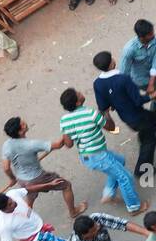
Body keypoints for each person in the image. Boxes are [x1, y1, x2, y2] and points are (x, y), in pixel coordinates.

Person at [58, 87, 147, 216]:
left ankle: (109, 193)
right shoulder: (91, 113)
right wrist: (105, 113)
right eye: (79, 94)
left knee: (120, 161)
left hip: (87, 156)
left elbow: (69, 144)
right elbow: (111, 128)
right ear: (77, 102)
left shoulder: (64, 121)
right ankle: (134, 207)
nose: (81, 93)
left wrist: (68, 135)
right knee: (125, 177)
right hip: (99, 156)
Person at [1, 117, 84, 219]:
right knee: (66, 185)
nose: (24, 122)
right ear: (21, 130)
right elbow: (58, 145)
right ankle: (73, 211)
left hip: (21, 180)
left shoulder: (7, 145)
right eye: (22, 123)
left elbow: (6, 168)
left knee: (30, 199)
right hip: (38, 177)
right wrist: (67, 129)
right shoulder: (32, 144)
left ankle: (26, 219)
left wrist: (12, 178)